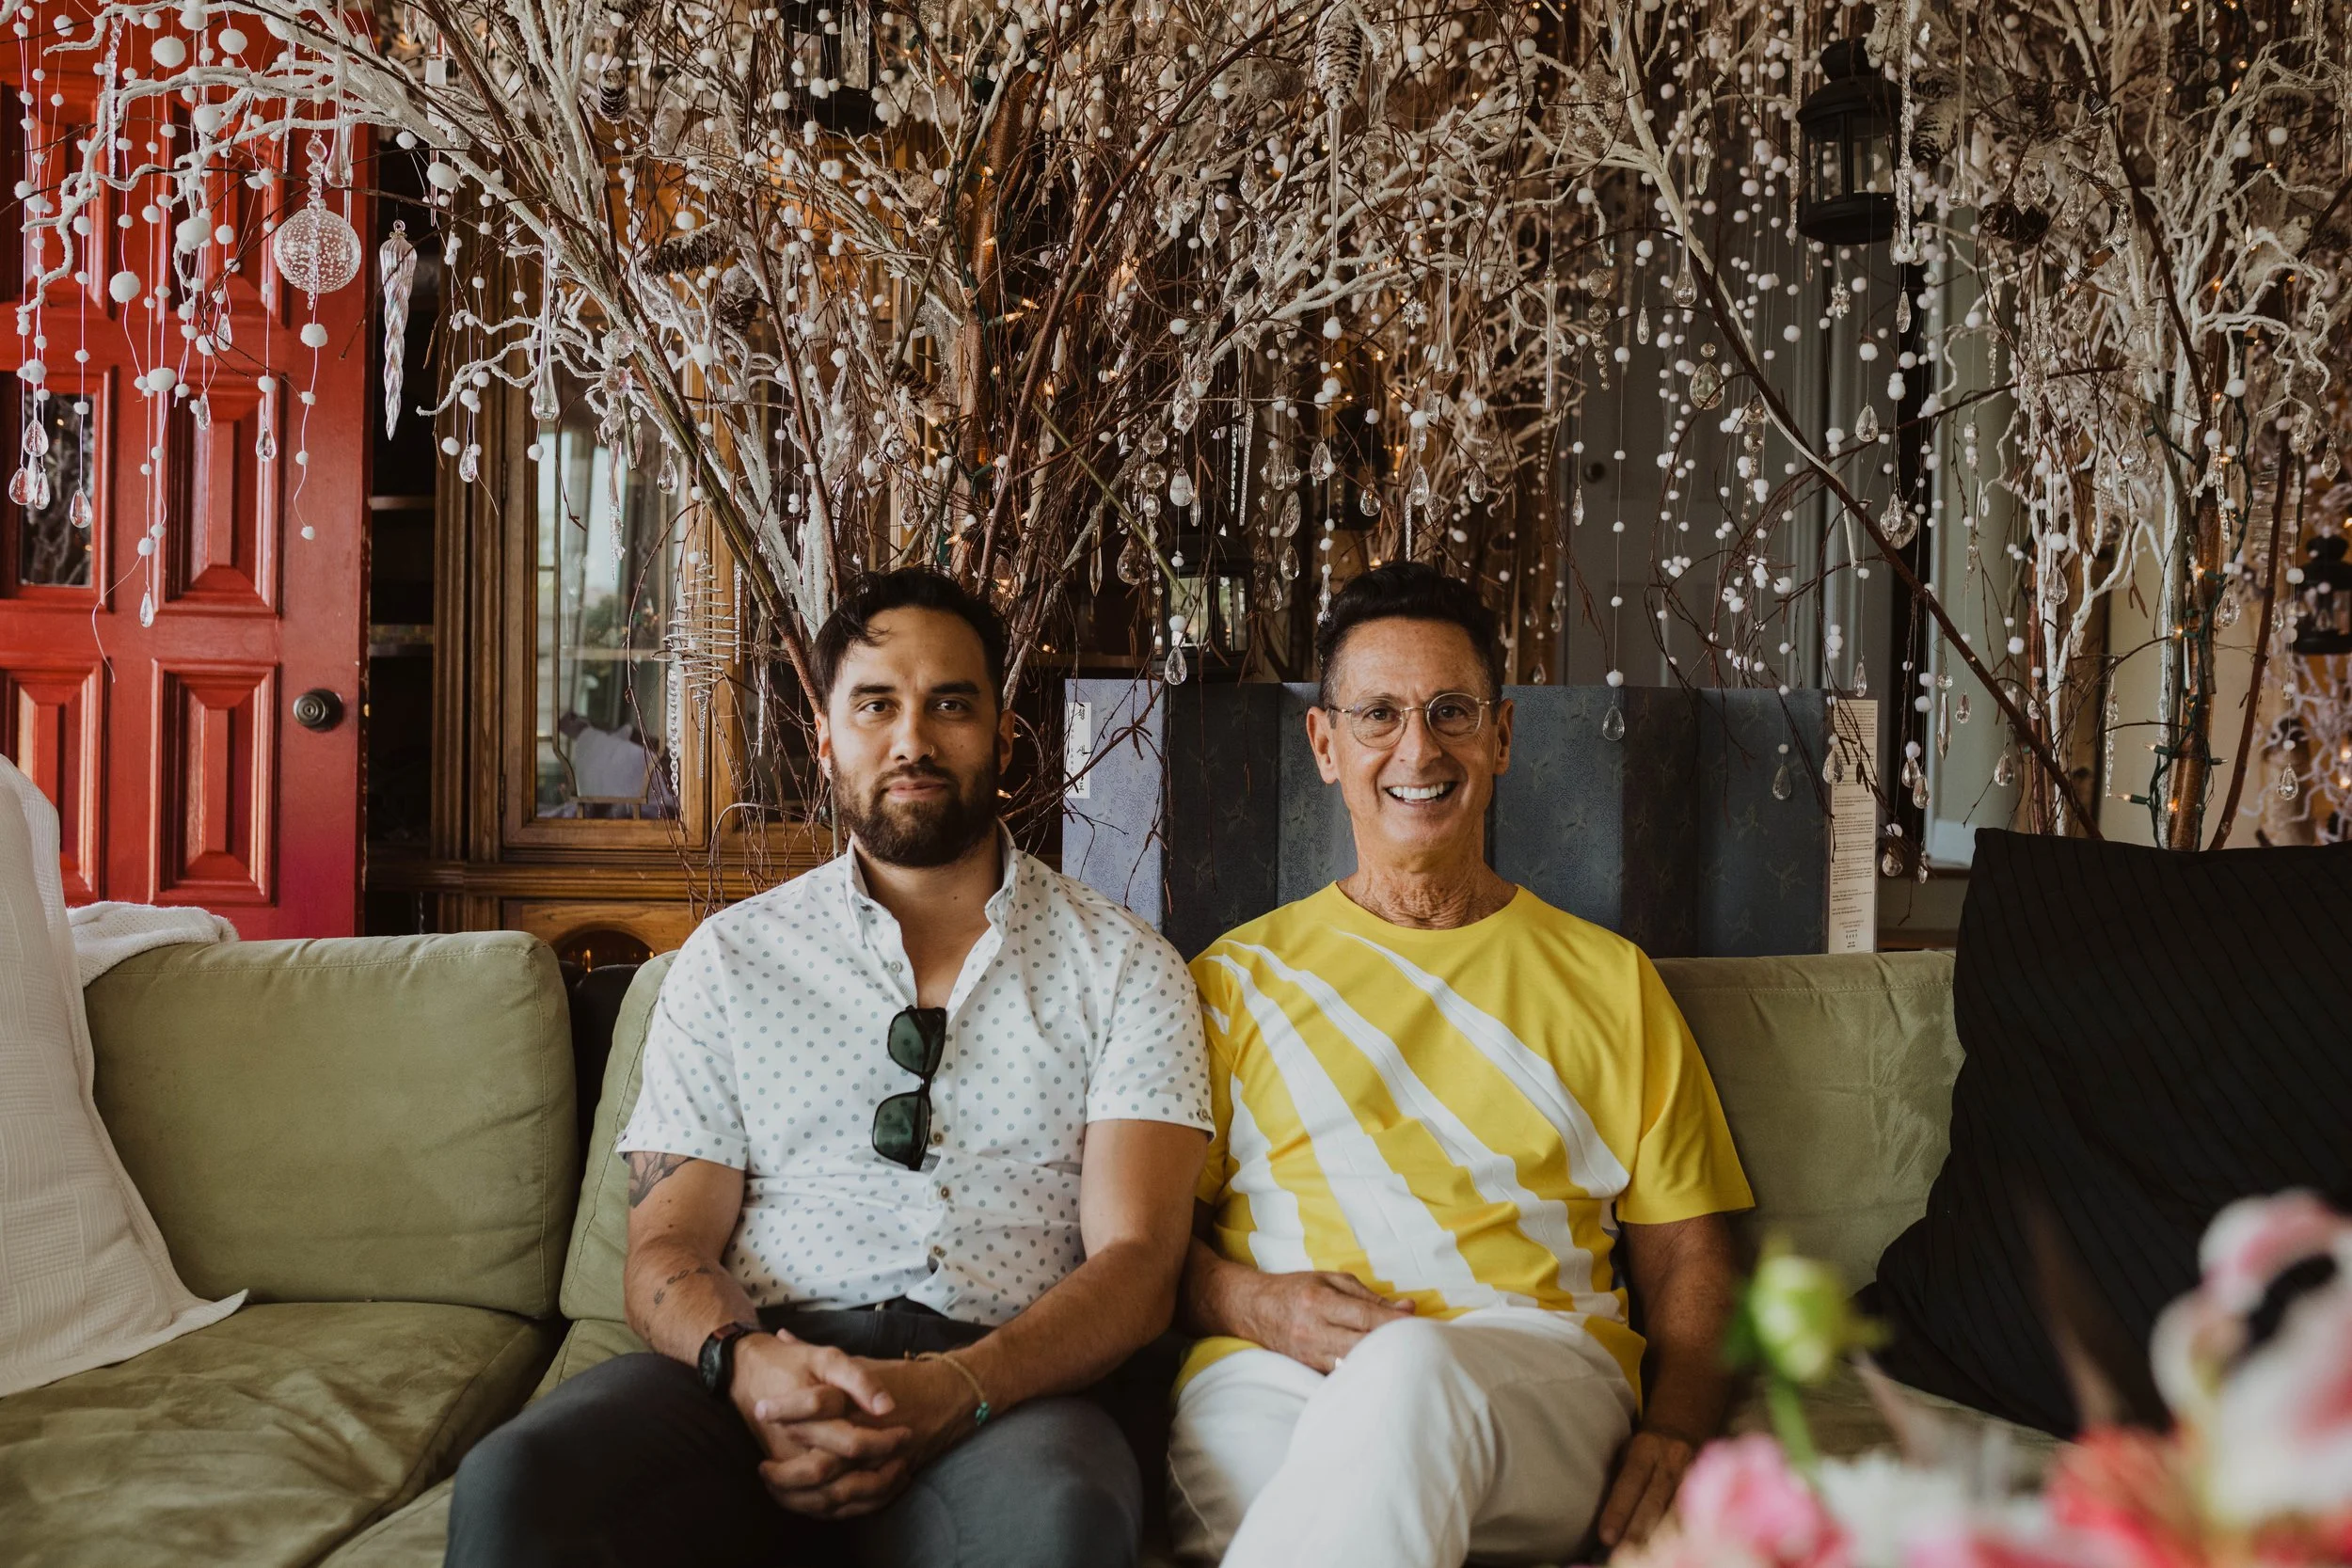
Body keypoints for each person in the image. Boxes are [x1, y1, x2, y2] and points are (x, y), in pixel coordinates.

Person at [447, 567, 1213, 1568]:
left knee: (1060, 1525)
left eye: (951, 702)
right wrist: (751, 1364)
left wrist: (957, 1386)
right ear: (824, 737)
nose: (912, 738)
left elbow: (1139, 1269)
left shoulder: (1124, 966)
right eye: (875, 704)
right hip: (753, 1368)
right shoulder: (732, 958)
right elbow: (665, 1244)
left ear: (1005, 733)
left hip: (1009, 1391)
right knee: (519, 1480)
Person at [1168, 561, 1754, 1568]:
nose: (1416, 747)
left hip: (1537, 1380)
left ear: (1502, 734)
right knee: (1338, 1486)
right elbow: (1149, 1243)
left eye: (1449, 710)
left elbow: (1689, 1254)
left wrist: (1681, 1424)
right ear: (1323, 743)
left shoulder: (1609, 980)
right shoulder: (1231, 979)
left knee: (1405, 1377)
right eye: (1377, 714)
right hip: (1269, 1371)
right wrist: (1253, 1303)